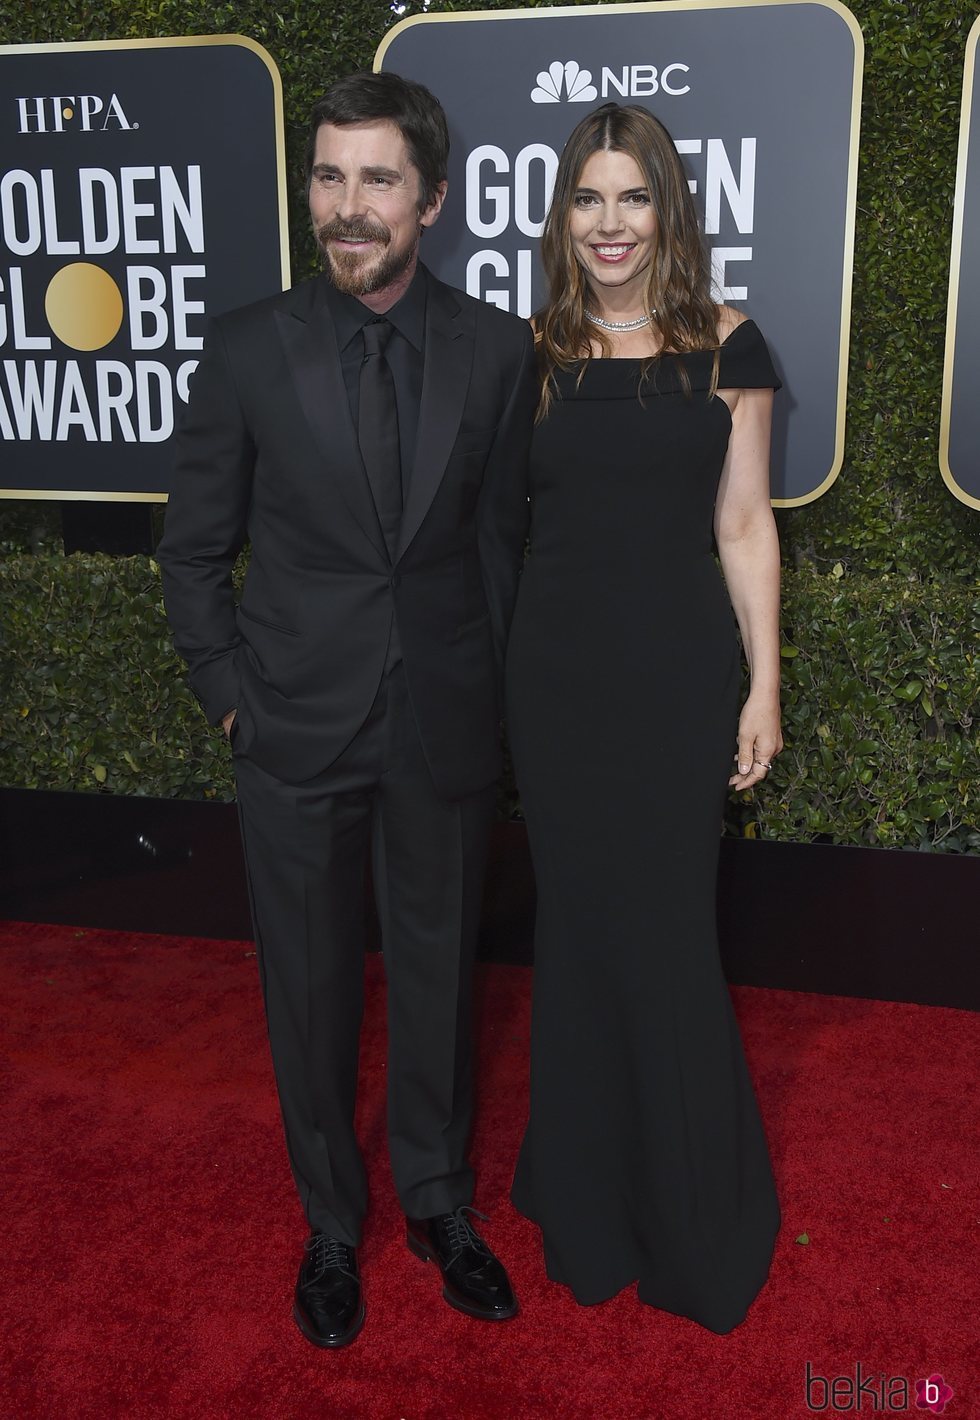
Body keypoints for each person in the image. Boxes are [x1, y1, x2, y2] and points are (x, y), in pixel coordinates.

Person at [157, 71, 537, 1349]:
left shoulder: (493, 348)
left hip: (439, 723)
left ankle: (435, 1199)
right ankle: (332, 1219)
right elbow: (191, 551)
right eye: (328, 175)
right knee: (307, 987)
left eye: (377, 179)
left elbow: (498, 553)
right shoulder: (251, 344)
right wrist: (230, 703)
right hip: (292, 729)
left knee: (437, 978)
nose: (348, 205)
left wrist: (487, 706)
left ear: (429, 197)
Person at [506, 103, 782, 1334]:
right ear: (560, 213)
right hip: (554, 686)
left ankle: (688, 1213)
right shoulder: (528, 354)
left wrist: (762, 680)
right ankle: (585, 1200)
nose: (609, 225)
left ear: (667, 207)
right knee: (574, 934)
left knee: (668, 933)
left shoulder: (729, 345)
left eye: (632, 198)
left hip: (676, 680)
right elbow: (495, 533)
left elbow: (740, 526)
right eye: (586, 199)